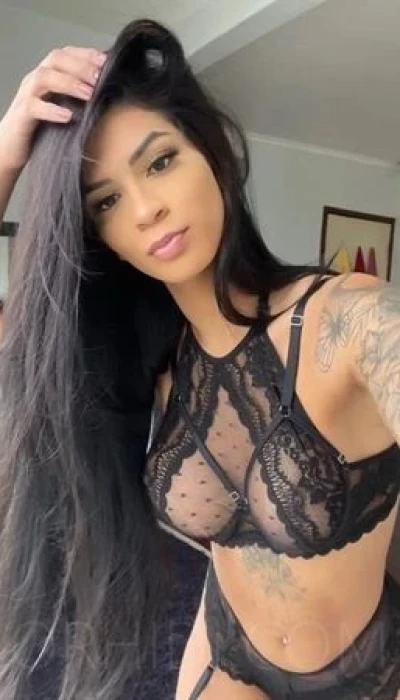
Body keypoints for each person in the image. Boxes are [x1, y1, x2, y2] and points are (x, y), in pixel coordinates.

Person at [0, 17, 399, 700]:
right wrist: (8, 154)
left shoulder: (350, 320)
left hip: (363, 671)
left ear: (210, 153)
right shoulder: (151, 358)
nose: (146, 210)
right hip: (225, 653)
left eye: (159, 162)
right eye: (107, 201)